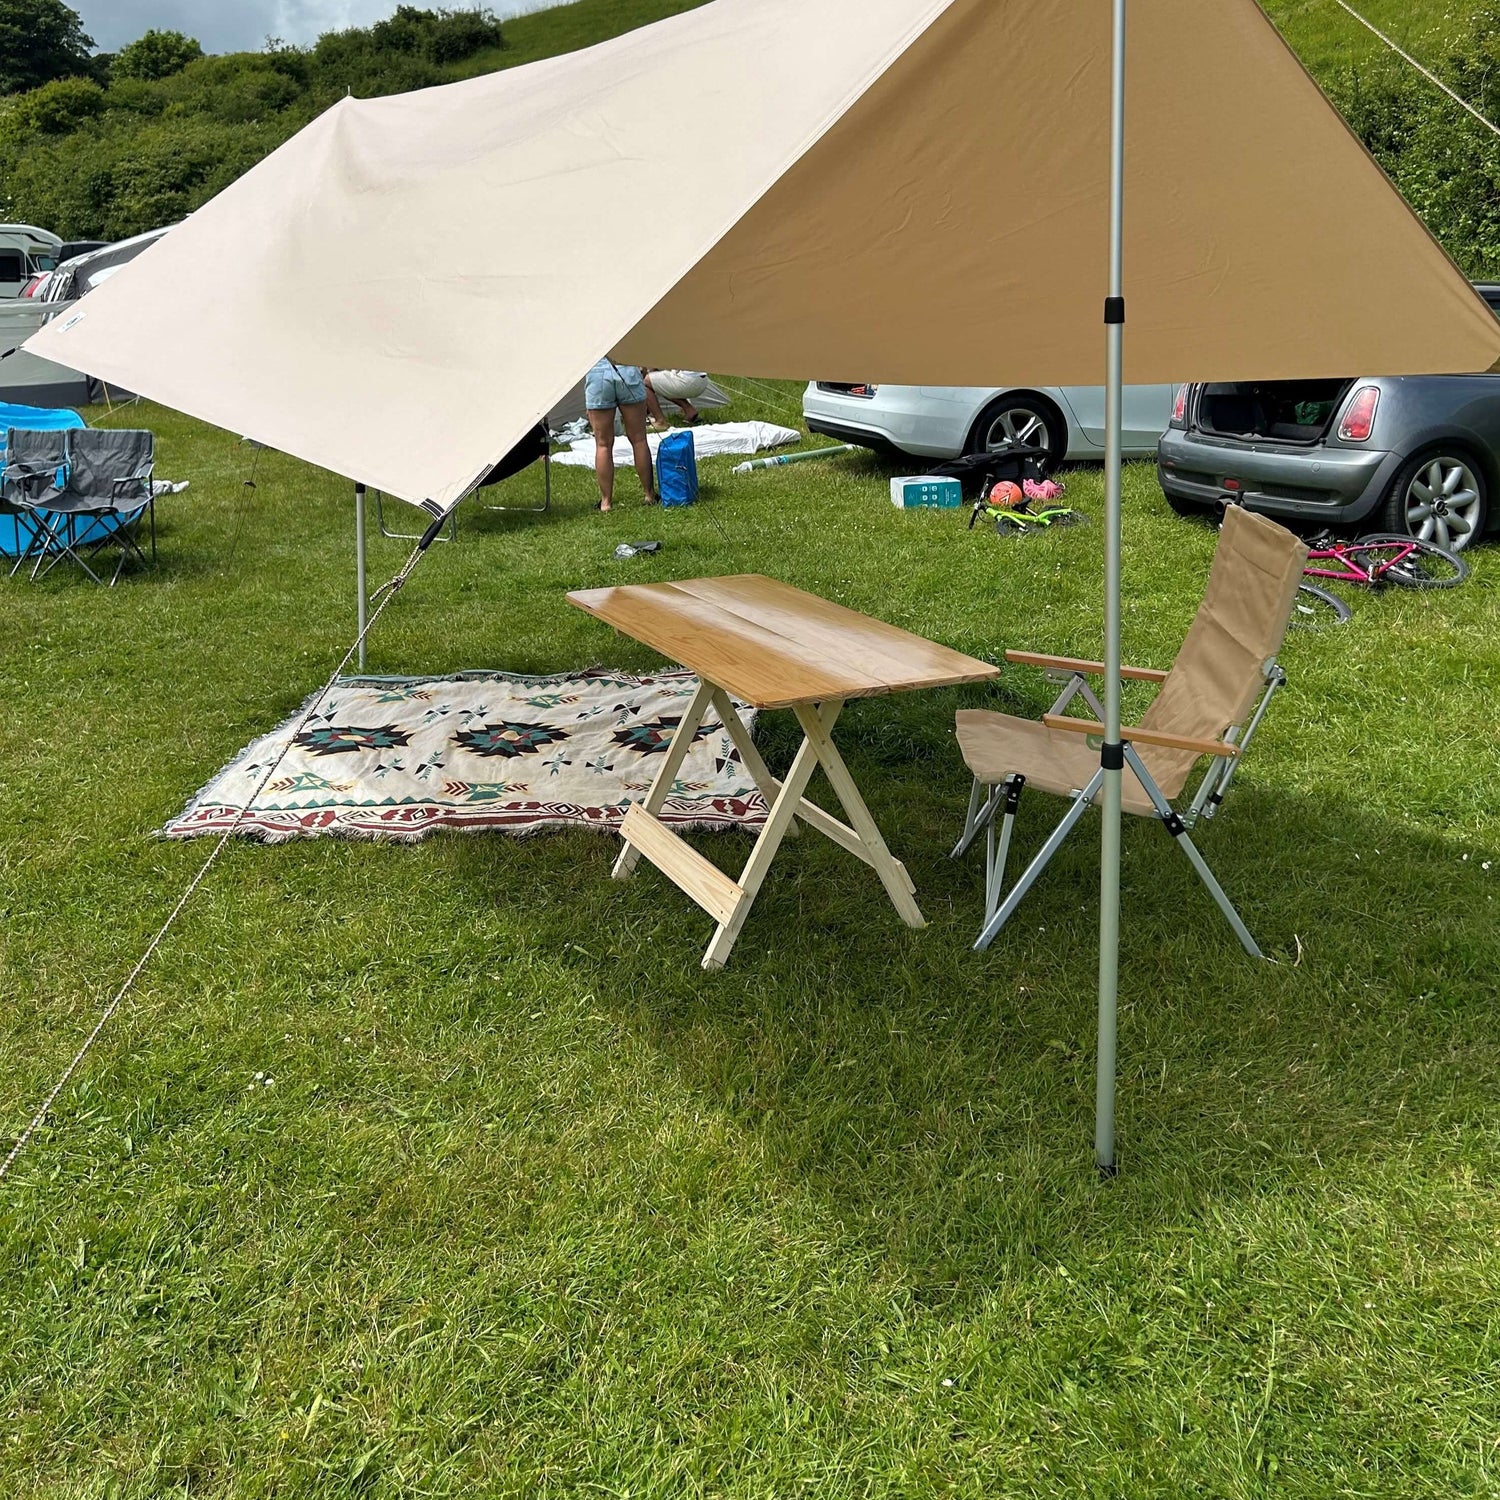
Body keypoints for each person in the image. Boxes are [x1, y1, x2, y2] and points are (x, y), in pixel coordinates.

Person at [585, 356, 658, 512]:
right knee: (639, 439)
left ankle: (606, 502)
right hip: (627, 368)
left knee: (603, 444)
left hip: (596, 372)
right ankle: (649, 494)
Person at [643, 369, 708, 429]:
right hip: (702, 381)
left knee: (645, 381)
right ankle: (689, 411)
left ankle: (660, 421)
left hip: (688, 381)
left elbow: (653, 366)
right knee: (661, 384)